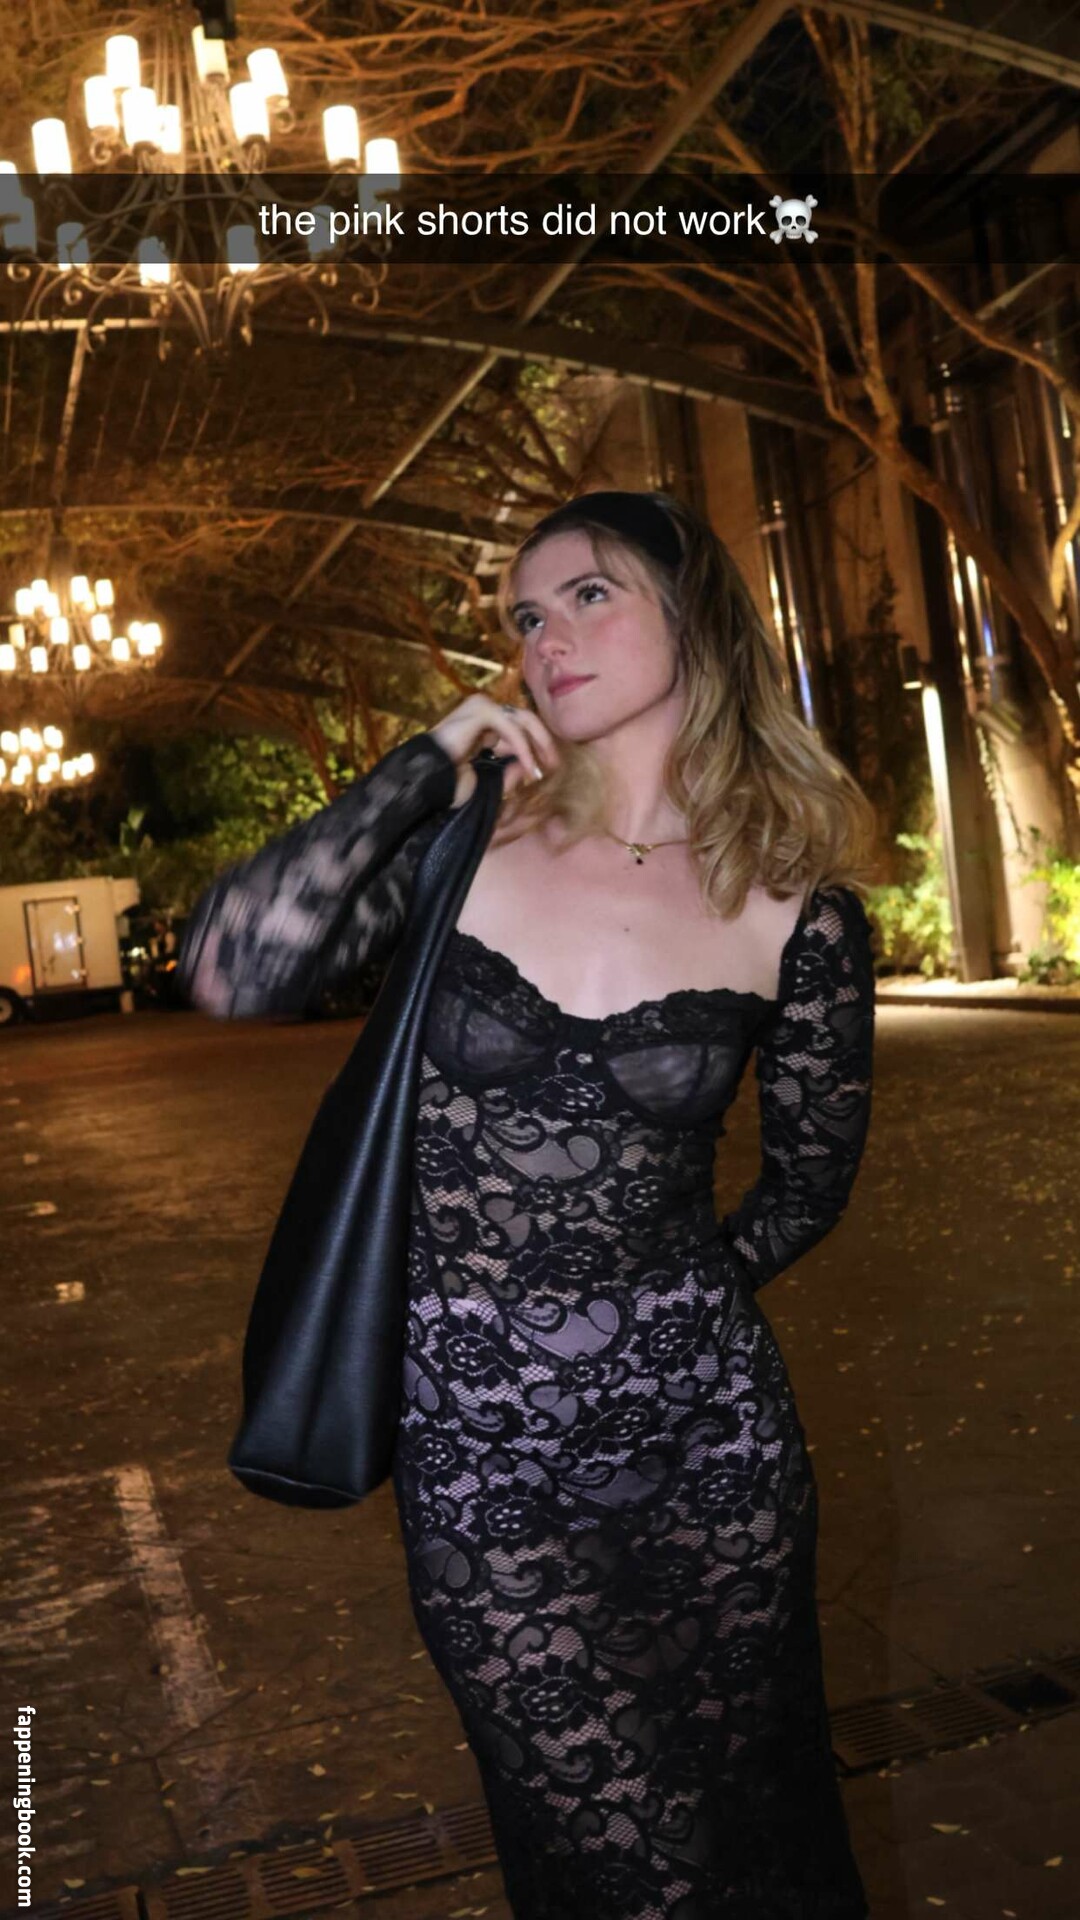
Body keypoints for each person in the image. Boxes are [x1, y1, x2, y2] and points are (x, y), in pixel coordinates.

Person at [178, 488, 877, 1919]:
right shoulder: (466, 840)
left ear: (691, 612)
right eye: (525, 616)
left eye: (589, 596)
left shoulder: (797, 906)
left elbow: (812, 1179)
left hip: (714, 1452)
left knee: (751, 1830)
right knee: (634, 1868)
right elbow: (236, 968)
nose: (546, 636)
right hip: (481, 1460)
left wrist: (672, 1300)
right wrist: (418, 764)